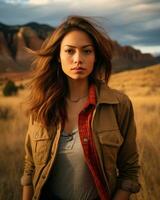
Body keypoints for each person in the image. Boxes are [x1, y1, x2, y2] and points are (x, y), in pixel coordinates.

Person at [21, 15, 140, 200]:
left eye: (86, 51)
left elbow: (129, 171)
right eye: (69, 51)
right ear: (58, 57)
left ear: (95, 56)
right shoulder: (42, 104)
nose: (78, 59)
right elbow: (30, 168)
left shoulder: (118, 104)